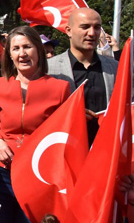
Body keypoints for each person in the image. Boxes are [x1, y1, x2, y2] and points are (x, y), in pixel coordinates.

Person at [0, 26, 70, 223]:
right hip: (1, 175)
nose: (22, 53)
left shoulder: (60, 88)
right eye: (16, 48)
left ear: (38, 50)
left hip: (38, 177)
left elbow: (65, 133)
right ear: (9, 55)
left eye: (27, 47)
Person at [47, 8, 118, 145]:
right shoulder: (48, 69)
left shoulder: (115, 68)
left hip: (107, 149)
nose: (92, 33)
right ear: (68, 31)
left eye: (97, 27)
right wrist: (69, 114)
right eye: (85, 27)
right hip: (64, 148)